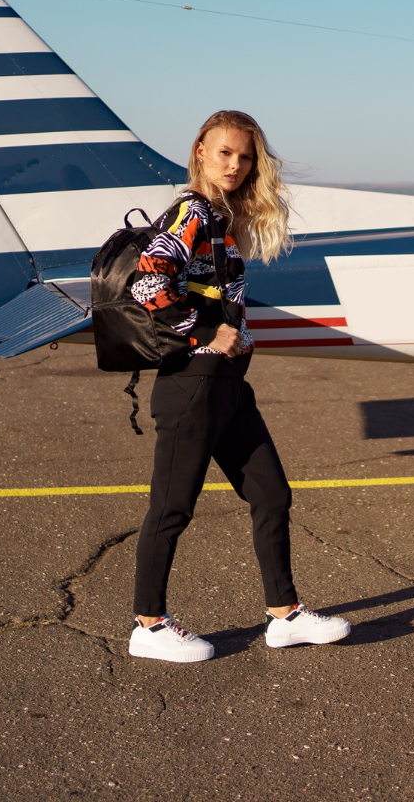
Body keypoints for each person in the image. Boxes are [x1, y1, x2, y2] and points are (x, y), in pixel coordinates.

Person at [127, 109, 350, 663]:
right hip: (192, 386)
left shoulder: (221, 220)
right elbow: (146, 284)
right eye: (225, 152)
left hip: (228, 386)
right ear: (201, 150)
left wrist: (233, 339)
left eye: (245, 156)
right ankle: (148, 625)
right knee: (172, 507)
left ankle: (285, 617)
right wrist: (207, 329)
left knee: (272, 494)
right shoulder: (190, 213)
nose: (235, 164)